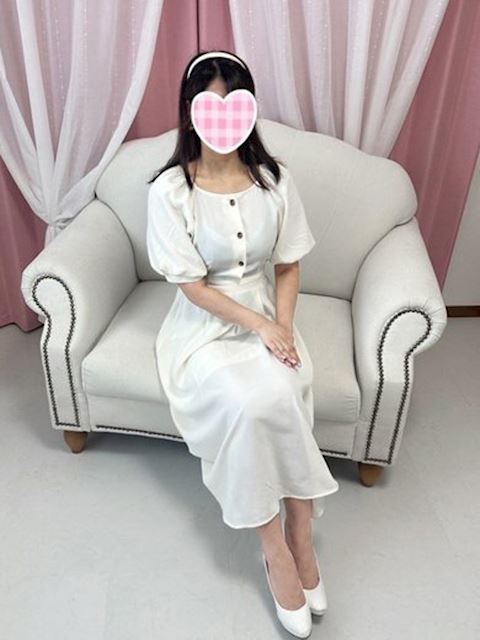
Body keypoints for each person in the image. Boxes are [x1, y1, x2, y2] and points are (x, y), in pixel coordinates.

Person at [146, 49, 339, 638]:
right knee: (248, 404)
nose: (223, 115)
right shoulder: (170, 191)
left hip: (267, 314)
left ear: (249, 110)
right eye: (210, 103)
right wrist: (259, 327)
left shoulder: (274, 181)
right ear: (190, 111)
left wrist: (282, 326)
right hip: (205, 326)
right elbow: (191, 286)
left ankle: (301, 530)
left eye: (234, 102)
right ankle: (274, 547)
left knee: (282, 389)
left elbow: (288, 264)